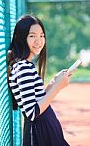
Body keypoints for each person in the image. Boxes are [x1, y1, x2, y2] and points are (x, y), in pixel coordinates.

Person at [7, 14, 73, 146]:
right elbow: (32, 112)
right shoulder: (23, 68)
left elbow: (36, 98)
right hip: (39, 133)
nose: (39, 40)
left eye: (42, 35)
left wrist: (53, 82)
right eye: (32, 36)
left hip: (43, 129)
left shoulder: (26, 65)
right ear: (21, 38)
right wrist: (57, 88)